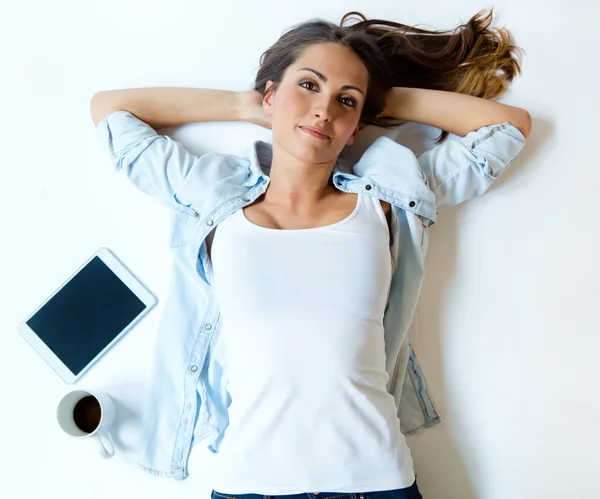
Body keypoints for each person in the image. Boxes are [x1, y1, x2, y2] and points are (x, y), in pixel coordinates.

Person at [90, 8, 531, 499]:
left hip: (377, 483)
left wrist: (380, 99)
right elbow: (111, 112)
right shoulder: (212, 196)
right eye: (308, 86)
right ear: (271, 94)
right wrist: (243, 104)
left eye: (346, 100)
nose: (325, 109)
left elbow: (508, 128)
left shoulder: (388, 197)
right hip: (247, 485)